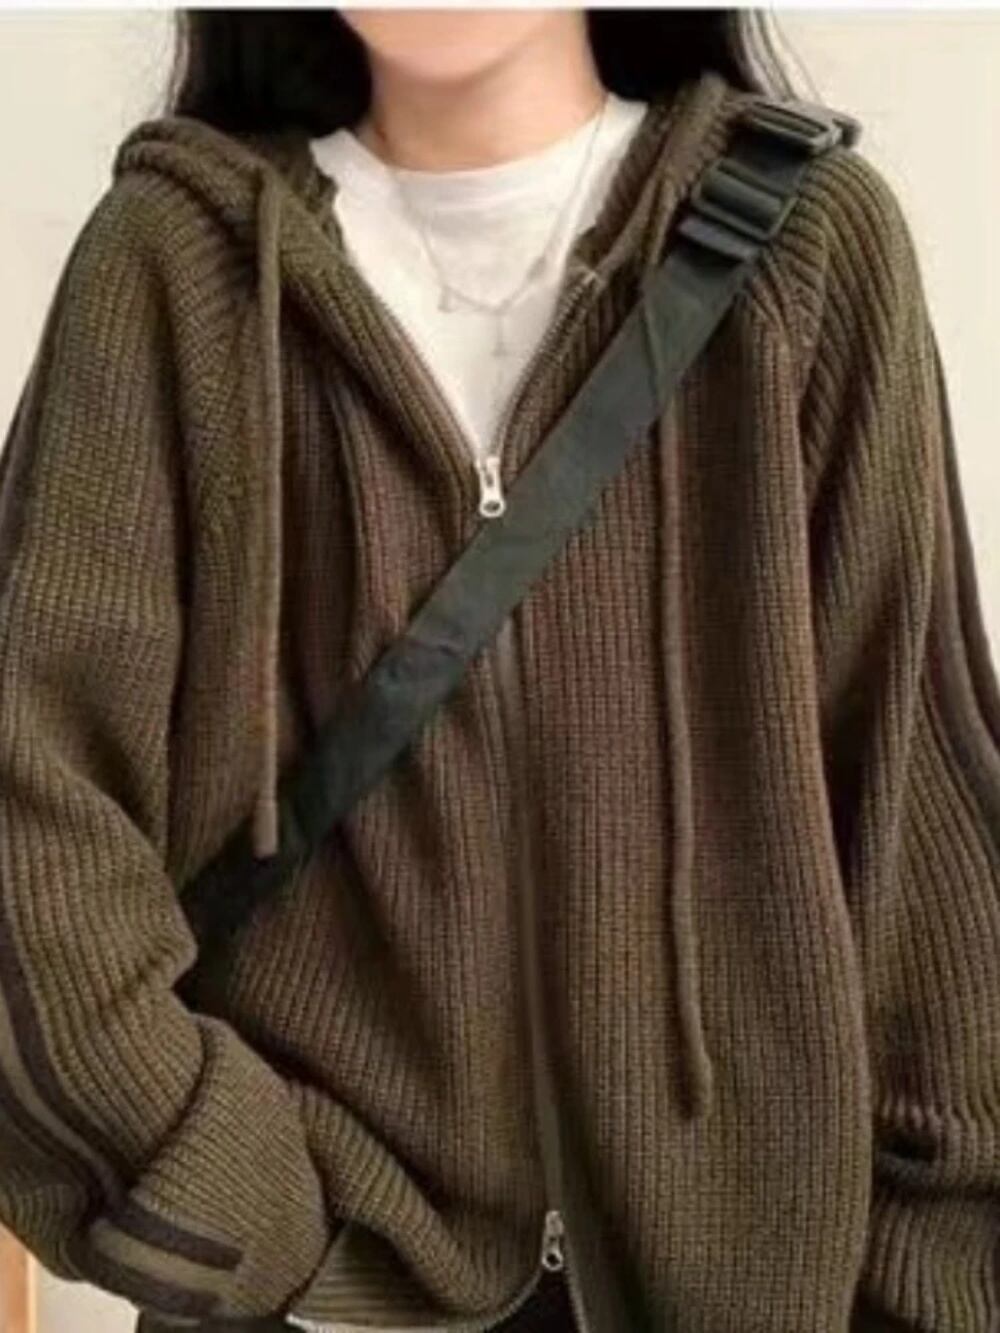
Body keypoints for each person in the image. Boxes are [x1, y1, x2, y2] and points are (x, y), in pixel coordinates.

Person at [1, 9, 998, 1333]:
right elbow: (33, 808)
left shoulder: (806, 246)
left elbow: (921, 822)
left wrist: (933, 1282)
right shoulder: (174, 269)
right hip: (316, 1298)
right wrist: (224, 1188)